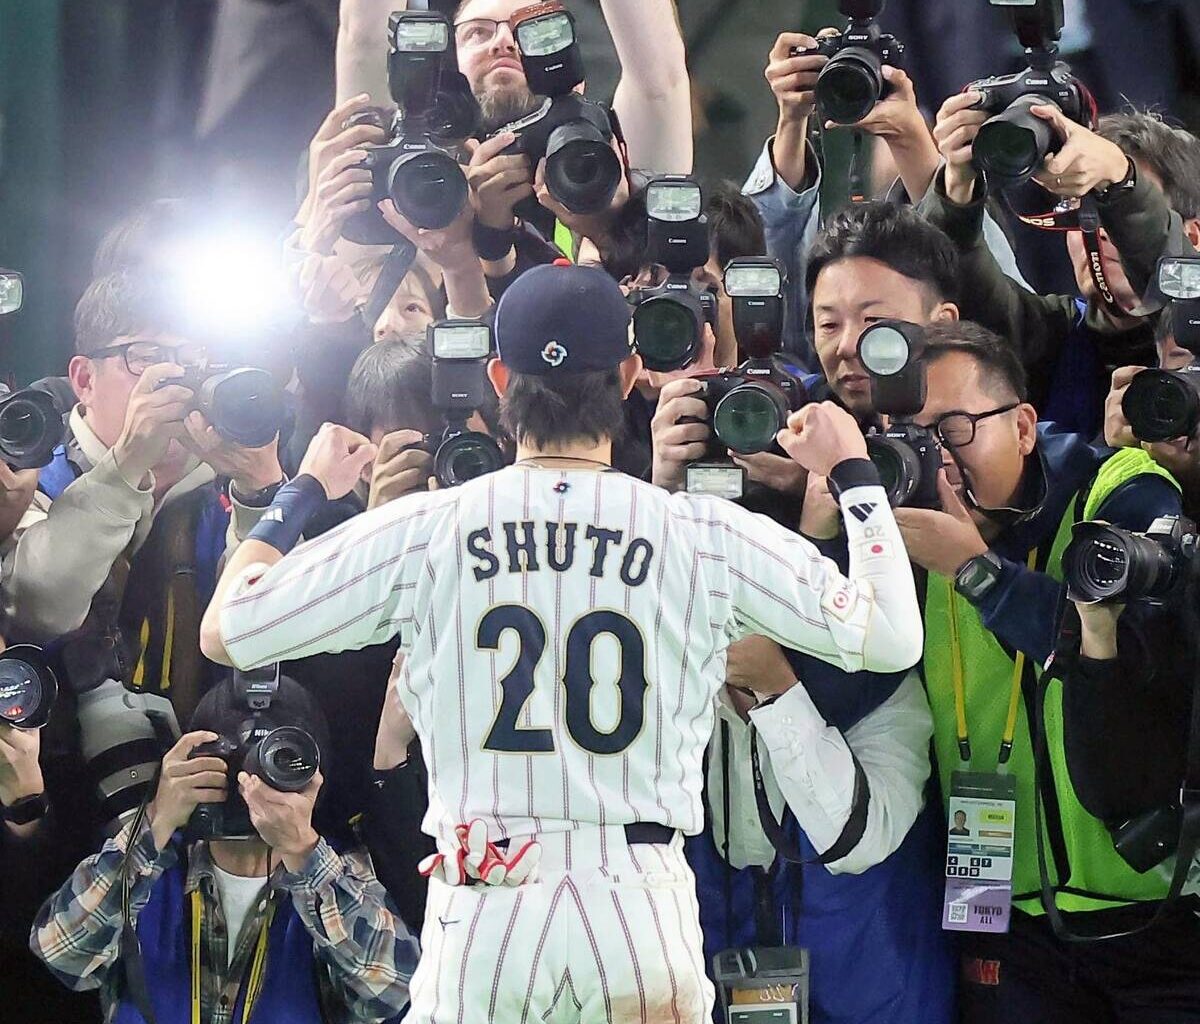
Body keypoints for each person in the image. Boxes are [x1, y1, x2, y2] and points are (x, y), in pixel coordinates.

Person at [197, 262, 922, 1022]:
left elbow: (227, 630)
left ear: (500, 377)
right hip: (638, 904)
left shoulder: (431, 526)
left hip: (484, 900)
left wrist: (302, 490)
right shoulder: (697, 531)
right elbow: (892, 638)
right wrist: (853, 472)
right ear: (630, 371)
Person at [888, 319, 1199, 1021]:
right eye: (912, 437)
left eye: (955, 428)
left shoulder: (1119, 492)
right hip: (1007, 927)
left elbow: (1150, 647)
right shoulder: (911, 544)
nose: (935, 461)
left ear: (1024, 425)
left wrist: (978, 573)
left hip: (1160, 917)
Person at [31, 675, 419, 1024]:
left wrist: (302, 850)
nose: (248, 777)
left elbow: (395, 991)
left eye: (280, 759)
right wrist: (157, 819)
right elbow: (63, 954)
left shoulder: (336, 876)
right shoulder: (147, 863)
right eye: (230, 755)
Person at [742, 31, 1029, 367]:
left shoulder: (984, 404)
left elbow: (1001, 316)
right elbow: (762, 288)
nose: (848, 345)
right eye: (829, 325)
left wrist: (910, 135)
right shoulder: (808, 408)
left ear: (943, 321)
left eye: (875, 321)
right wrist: (792, 120)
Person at [922, 105, 1200, 433]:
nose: (1102, 232)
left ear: (1193, 236)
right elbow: (963, 284)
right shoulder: (1052, 337)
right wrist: (957, 186)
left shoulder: (1191, 335)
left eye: (1112, 213)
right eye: (1084, 211)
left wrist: (1119, 180)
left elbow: (1170, 271)